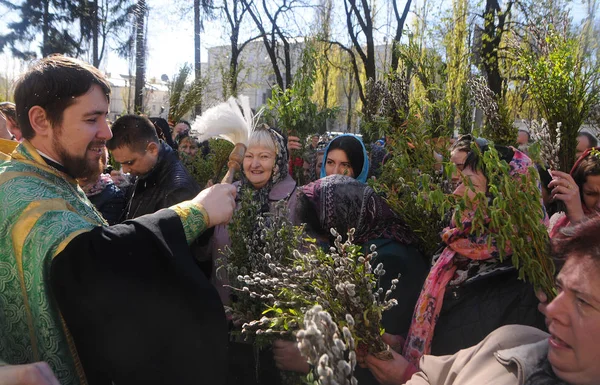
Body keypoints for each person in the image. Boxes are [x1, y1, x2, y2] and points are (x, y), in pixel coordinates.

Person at [0, 55, 236, 385]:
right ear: (40, 120)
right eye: (92, 118)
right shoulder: (19, 193)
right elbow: (96, 256)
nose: (107, 132)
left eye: (106, 117)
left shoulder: (52, 176)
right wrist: (198, 212)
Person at [365, 216, 600, 385]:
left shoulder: (520, 282)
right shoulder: (511, 341)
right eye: (559, 289)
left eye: (583, 302)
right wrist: (405, 358)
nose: (552, 308)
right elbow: (435, 375)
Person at [273, 175, 428, 384]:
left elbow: (379, 356)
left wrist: (311, 360)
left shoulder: (389, 261)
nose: (323, 245)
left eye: (325, 237)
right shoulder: (374, 240)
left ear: (341, 221)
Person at [402, 145, 546, 365]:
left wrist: (408, 374)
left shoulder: (527, 280)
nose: (457, 192)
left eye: (471, 184)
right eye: (460, 181)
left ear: (505, 199)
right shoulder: (455, 247)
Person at [108, 114, 201, 220]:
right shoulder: (146, 171)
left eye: (129, 162)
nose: (125, 170)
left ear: (152, 149)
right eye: (121, 163)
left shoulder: (177, 191)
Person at [549, 147, 600, 237]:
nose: (599, 204)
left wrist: (579, 222)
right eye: (591, 194)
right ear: (579, 192)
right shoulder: (560, 222)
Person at [78, 147, 127, 225]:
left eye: (90, 171)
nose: (84, 175)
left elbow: (106, 229)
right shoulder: (64, 186)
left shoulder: (112, 195)